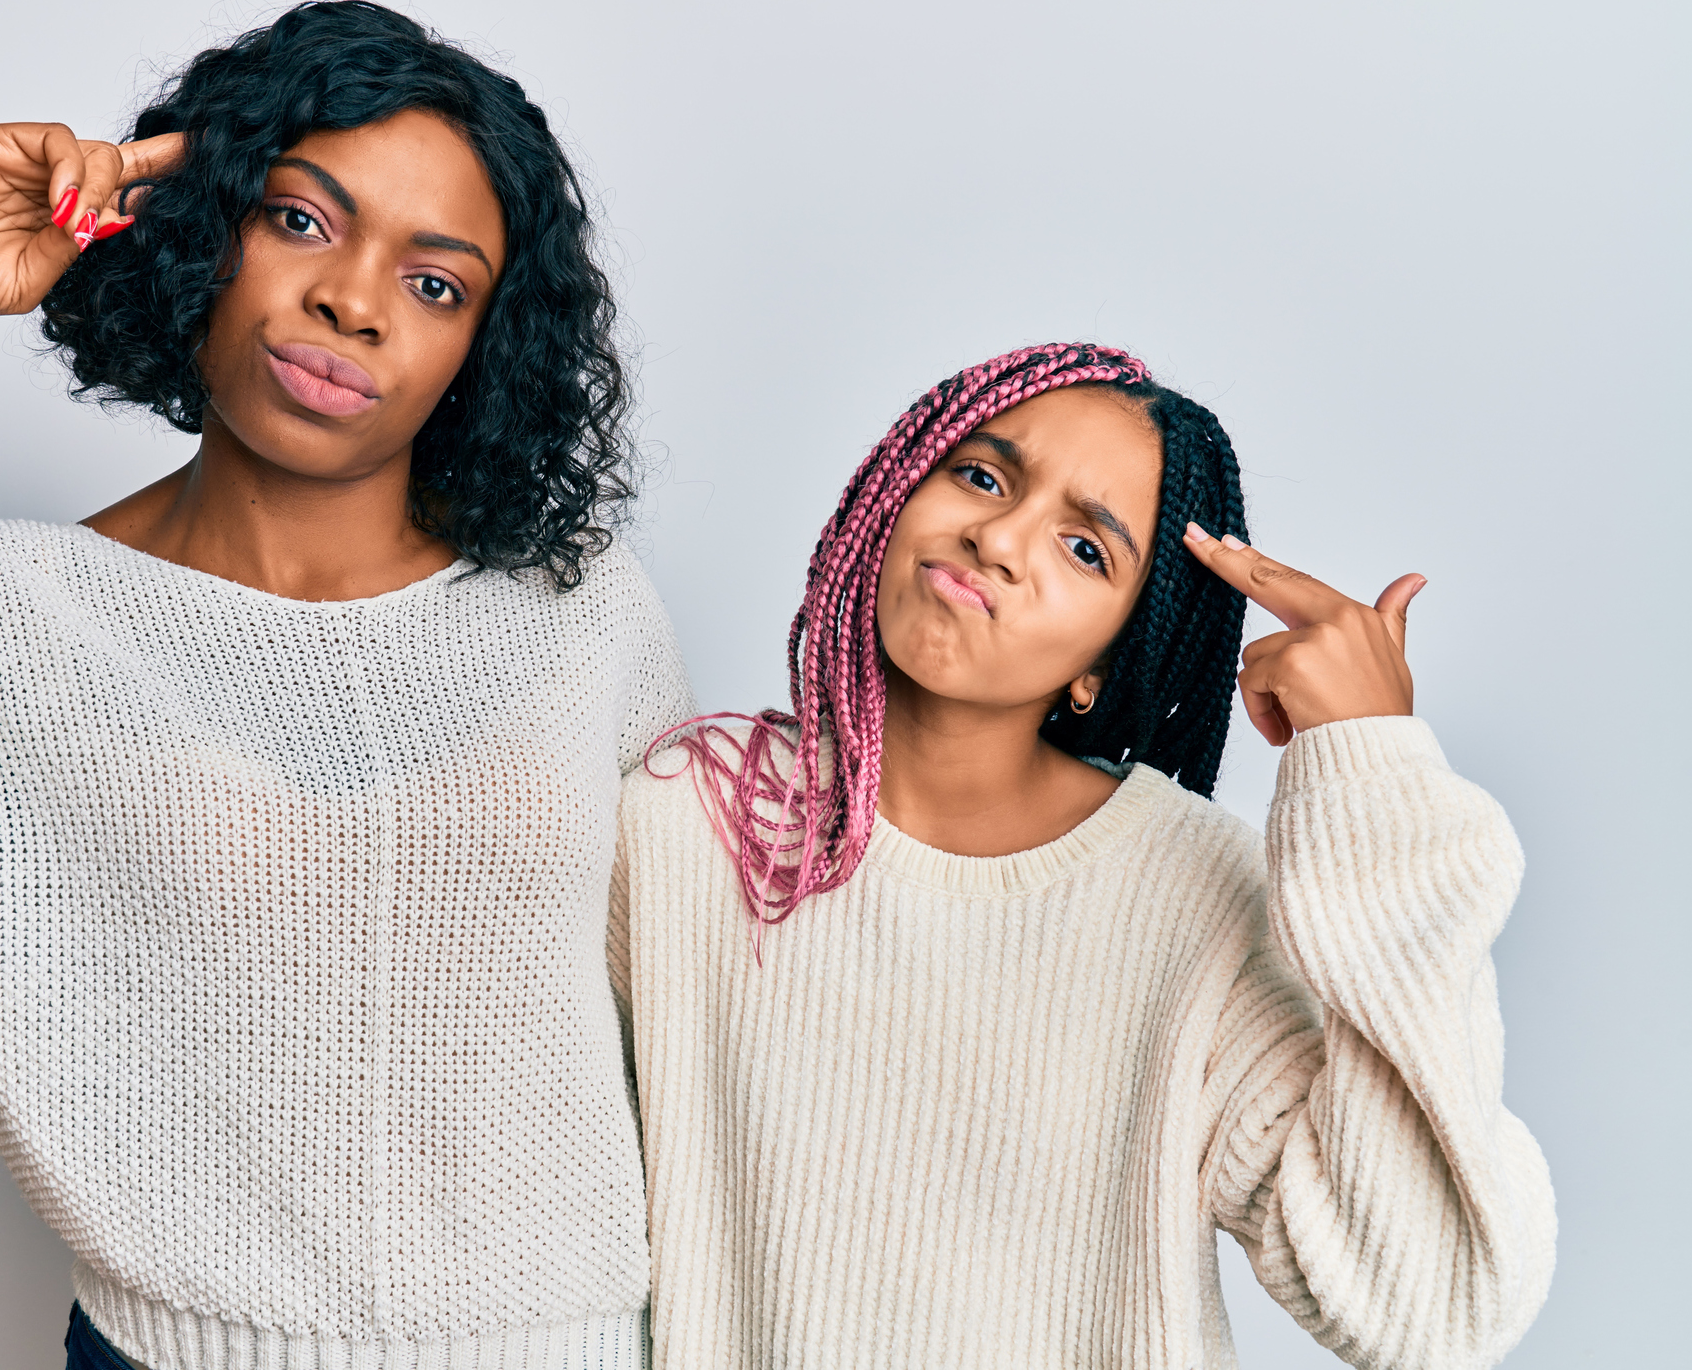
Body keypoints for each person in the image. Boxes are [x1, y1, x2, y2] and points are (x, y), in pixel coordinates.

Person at [0, 0, 690, 1369]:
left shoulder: (579, 606)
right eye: (299, 219)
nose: (352, 301)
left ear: (482, 350)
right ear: (202, 228)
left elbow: (687, 1020)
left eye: (436, 281)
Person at [614, 343, 1555, 1368]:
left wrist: (1371, 766)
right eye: (981, 475)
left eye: (1085, 549)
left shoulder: (1191, 898)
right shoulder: (691, 822)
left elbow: (1433, 1305)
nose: (1000, 537)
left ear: (1102, 669)